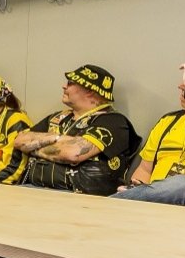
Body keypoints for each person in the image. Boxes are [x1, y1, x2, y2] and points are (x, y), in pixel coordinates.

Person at [110, 55, 185, 208]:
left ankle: (109, 205)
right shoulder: (168, 121)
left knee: (183, 184)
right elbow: (144, 169)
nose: (182, 86)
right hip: (158, 198)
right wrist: (138, 187)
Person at [14, 65, 141, 195]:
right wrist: (56, 140)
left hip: (78, 196)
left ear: (89, 91)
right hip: (33, 188)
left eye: (70, 83)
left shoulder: (114, 121)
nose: (64, 86)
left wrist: (41, 144)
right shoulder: (59, 117)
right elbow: (19, 140)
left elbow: (73, 154)